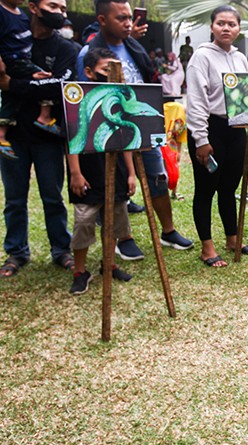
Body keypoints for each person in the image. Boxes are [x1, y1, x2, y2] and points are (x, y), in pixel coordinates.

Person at [76, 0, 194, 259]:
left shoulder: (134, 46)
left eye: (129, 17)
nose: (129, 23)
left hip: (144, 126)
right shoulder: (89, 54)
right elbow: (86, 98)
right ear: (102, 20)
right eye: (121, 18)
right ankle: (123, 237)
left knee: (158, 176)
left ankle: (168, 230)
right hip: (111, 129)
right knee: (116, 184)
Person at [0, 0, 76, 278]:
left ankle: (61, 249)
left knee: (52, 197)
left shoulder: (65, 48)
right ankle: (16, 252)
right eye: (53, 6)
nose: (60, 13)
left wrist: (14, 85)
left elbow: (60, 87)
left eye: (63, 8)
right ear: (34, 7)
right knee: (14, 198)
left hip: (48, 136)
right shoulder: (13, 40)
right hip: (13, 135)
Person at [68, 47, 137, 294]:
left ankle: (109, 264)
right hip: (88, 174)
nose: (111, 74)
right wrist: (75, 173)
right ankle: (79, 270)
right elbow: (72, 138)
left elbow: (126, 140)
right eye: (106, 69)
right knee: (84, 221)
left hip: (116, 173)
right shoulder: (78, 102)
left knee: (115, 220)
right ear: (88, 71)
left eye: (115, 69)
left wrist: (130, 173)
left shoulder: (119, 102)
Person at [185, 5, 248, 267]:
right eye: (221, 23)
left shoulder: (241, 57)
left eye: (231, 24)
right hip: (210, 128)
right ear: (212, 27)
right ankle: (207, 247)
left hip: (236, 129)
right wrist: (201, 139)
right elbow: (197, 101)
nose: (226, 28)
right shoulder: (201, 57)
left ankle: (232, 238)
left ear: (238, 28)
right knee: (206, 189)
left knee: (230, 187)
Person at [0, 0, 61, 160]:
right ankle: (2, 134)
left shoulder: (21, 15)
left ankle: (43, 116)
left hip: (25, 61)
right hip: (11, 60)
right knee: (11, 96)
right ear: (34, 8)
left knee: (46, 81)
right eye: (53, 7)